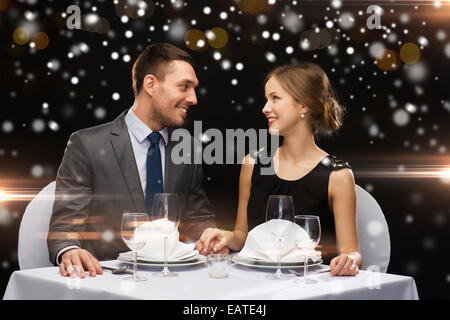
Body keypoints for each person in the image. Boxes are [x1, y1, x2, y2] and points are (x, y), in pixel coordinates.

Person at [48, 42, 221, 278]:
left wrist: (212, 237)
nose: (193, 98)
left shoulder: (187, 148)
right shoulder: (87, 145)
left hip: (176, 281)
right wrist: (69, 251)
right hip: (108, 282)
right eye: (184, 87)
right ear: (150, 84)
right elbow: (64, 226)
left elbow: (198, 219)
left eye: (194, 89)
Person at [195, 63, 361, 276]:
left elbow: (353, 252)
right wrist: (226, 236)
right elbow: (242, 235)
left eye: (275, 98)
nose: (265, 108)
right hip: (254, 285)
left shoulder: (338, 176)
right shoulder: (252, 163)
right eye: (267, 99)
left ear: (304, 105)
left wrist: (349, 260)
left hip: (309, 289)